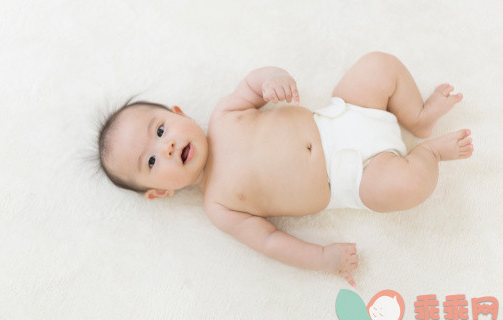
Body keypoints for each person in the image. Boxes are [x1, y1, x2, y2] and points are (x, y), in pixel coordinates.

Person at [97, 52, 473, 287]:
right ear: (159, 192)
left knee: (378, 65)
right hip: (358, 176)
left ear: (178, 114)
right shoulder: (220, 206)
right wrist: (321, 258)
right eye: (150, 161)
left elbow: (253, 83)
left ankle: (419, 117)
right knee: (406, 188)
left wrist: (273, 79)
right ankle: (431, 154)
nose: (167, 146)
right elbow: (270, 241)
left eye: (160, 130)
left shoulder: (225, 114)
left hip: (348, 111)